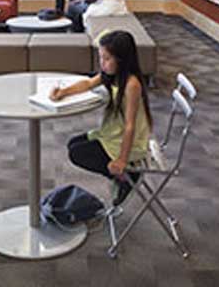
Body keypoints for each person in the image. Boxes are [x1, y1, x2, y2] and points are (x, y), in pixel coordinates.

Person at [50, 30, 152, 205]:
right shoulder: (111, 74)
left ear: (121, 59)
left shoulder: (131, 85)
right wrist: (63, 92)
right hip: (112, 131)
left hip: (128, 140)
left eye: (106, 59)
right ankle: (121, 177)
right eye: (101, 57)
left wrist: (122, 160)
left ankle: (127, 176)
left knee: (77, 153)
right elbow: (89, 83)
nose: (102, 63)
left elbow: (130, 126)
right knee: (73, 144)